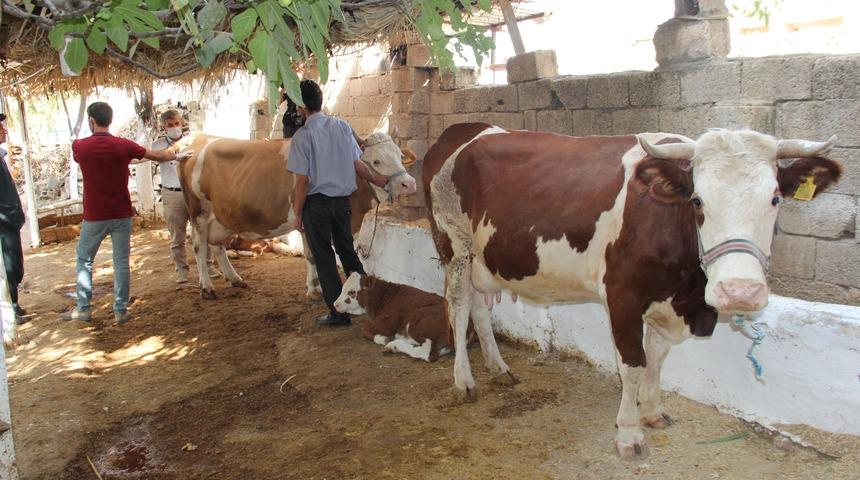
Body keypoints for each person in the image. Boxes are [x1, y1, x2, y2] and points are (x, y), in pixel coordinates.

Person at [60, 102, 192, 325]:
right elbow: (156, 155)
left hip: (94, 215)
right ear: (110, 120)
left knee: (85, 259)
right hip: (122, 213)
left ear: (92, 121)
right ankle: (120, 310)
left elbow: (79, 157)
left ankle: (84, 308)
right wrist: (177, 156)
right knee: (121, 261)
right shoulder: (124, 145)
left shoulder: (80, 146)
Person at [287, 80, 387, 326]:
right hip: (342, 203)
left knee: (324, 258)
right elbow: (357, 165)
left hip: (316, 205)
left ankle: (338, 313)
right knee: (348, 252)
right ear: (321, 101)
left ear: (301, 106)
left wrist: (297, 213)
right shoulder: (342, 126)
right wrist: (378, 179)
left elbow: (302, 181)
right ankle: (370, 301)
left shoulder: (302, 137)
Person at [152, 109, 219, 284]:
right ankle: (181, 270)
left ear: (182, 123)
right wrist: (175, 155)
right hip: (173, 193)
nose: (175, 127)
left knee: (204, 230)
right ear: (164, 127)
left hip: (195, 193)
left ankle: (209, 266)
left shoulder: (193, 141)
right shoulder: (159, 145)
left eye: (177, 123)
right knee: (177, 236)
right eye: (170, 125)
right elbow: (158, 157)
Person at [0, 113, 29, 325]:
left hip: (9, 221)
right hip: (4, 222)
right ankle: (10, 310)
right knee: (9, 266)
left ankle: (14, 305)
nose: (4, 129)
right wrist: (8, 215)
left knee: (15, 265)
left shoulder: (0, 156)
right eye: (0, 127)